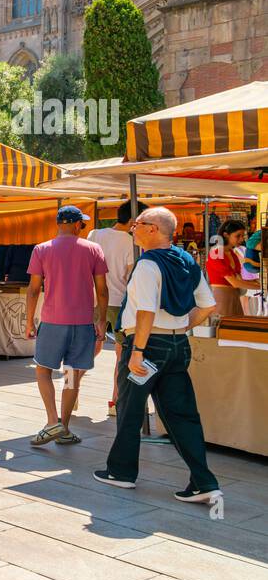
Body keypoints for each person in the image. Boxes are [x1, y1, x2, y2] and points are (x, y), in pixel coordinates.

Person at [95, 207, 222, 504]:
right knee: (183, 415)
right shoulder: (188, 261)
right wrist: (181, 327)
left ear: (153, 229)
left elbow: (146, 311)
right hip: (178, 345)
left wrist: (137, 351)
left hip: (148, 345)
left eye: (137, 225)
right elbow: (207, 306)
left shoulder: (148, 264)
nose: (132, 229)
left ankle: (121, 472)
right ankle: (204, 481)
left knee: (130, 409)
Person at [25, 206, 108, 446]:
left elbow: (33, 290)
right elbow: (101, 290)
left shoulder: (41, 249)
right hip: (83, 323)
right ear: (75, 224)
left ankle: (53, 421)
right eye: (83, 225)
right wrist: (101, 320)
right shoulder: (93, 249)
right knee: (72, 374)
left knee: (43, 370)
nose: (83, 228)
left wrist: (30, 321)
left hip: (52, 321)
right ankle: (65, 427)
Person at [87, 202, 146, 417]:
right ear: (133, 221)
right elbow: (132, 277)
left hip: (91, 300)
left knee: (87, 350)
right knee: (122, 355)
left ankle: (70, 390)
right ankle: (115, 402)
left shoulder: (95, 234)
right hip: (120, 302)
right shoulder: (132, 243)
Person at [205, 219, 255, 318]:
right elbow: (235, 282)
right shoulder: (216, 253)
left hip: (234, 297)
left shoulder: (232, 254)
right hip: (221, 298)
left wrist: (256, 282)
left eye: (242, 236)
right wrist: (260, 287)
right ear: (226, 235)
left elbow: (238, 279)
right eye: (238, 236)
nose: (241, 239)